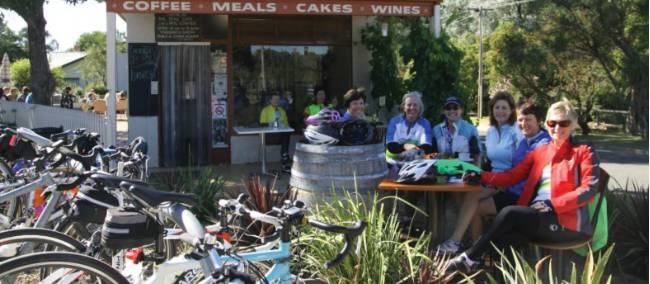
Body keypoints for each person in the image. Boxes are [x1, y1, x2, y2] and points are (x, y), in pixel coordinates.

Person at [449, 100, 599, 271]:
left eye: (563, 123)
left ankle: (469, 257)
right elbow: (512, 176)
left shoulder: (584, 151)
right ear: (547, 124)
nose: (557, 128)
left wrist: (552, 204)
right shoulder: (541, 151)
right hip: (537, 216)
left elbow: (588, 189)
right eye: (552, 123)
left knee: (509, 213)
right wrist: (481, 176)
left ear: (573, 125)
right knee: (507, 237)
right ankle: (500, 276)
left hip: (565, 222)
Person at [436, 94, 551, 253]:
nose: (500, 111)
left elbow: (517, 173)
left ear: (512, 111)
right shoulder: (515, 137)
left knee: (472, 197)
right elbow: (489, 161)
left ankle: (460, 244)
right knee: (469, 196)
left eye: (504, 108)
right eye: (497, 107)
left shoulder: (523, 136)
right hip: (501, 180)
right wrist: (481, 175)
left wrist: (494, 181)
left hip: (512, 187)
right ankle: (475, 249)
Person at [386, 91, 434, 227]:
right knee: (391, 183)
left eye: (415, 105)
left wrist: (410, 150)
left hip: (414, 164)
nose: (412, 108)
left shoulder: (425, 123)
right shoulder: (395, 122)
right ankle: (391, 219)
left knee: (414, 182)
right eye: (409, 105)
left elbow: (427, 146)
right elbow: (391, 146)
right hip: (393, 162)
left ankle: (408, 218)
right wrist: (406, 146)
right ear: (403, 106)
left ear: (420, 108)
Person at [432, 96, 481, 163]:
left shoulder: (471, 130)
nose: (452, 111)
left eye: (455, 108)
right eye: (448, 108)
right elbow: (432, 155)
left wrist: (477, 172)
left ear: (461, 110)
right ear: (444, 111)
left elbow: (477, 155)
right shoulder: (436, 130)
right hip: (442, 170)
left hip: (465, 171)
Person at [260, 93, 291, 173]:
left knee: (286, 134)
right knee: (285, 136)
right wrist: (272, 124)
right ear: (270, 100)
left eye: (278, 99)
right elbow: (262, 125)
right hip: (268, 136)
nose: (276, 101)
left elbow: (286, 126)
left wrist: (282, 126)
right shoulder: (265, 110)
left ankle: (284, 158)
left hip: (280, 135)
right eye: (274, 99)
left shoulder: (282, 111)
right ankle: (285, 157)